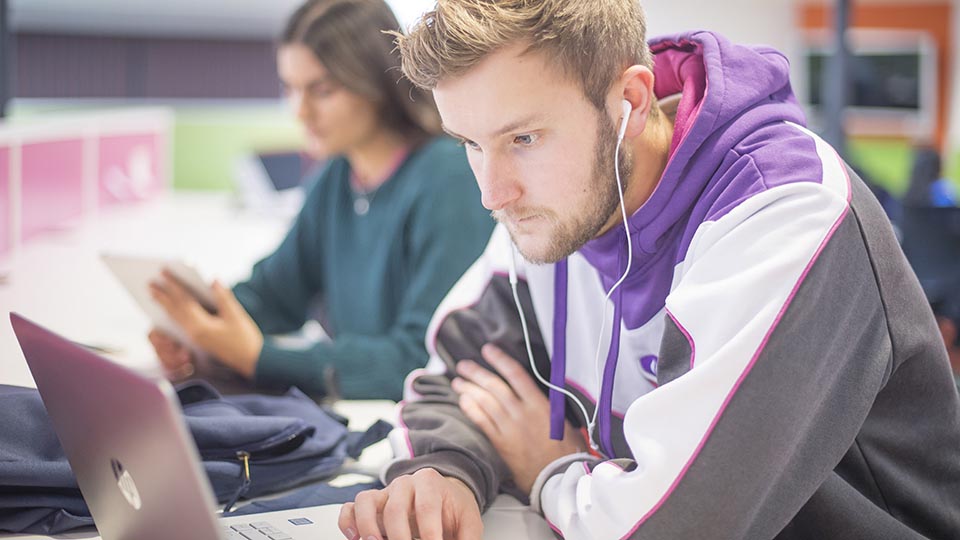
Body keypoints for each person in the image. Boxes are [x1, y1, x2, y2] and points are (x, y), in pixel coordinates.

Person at [337, 1, 960, 539]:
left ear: (630, 103)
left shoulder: (785, 212)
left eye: (523, 138)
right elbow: (455, 373)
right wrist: (441, 472)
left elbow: (672, 530)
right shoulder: (561, 210)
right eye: (471, 144)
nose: (492, 193)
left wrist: (550, 469)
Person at [147, 0, 494, 401]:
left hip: (415, 422)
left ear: (378, 83)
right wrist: (199, 327)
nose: (301, 112)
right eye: (290, 89)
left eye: (322, 90)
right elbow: (274, 294)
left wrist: (260, 358)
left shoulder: (447, 178)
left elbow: (419, 356)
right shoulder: (334, 177)